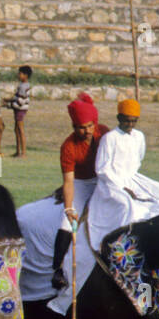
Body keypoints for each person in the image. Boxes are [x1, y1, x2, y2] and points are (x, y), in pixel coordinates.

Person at [84, 99, 159, 255]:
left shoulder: (138, 136)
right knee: (126, 204)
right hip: (111, 183)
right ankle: (121, 247)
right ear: (119, 118)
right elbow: (102, 169)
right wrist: (122, 187)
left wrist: (132, 183)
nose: (130, 124)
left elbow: (138, 159)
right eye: (127, 121)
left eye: (133, 121)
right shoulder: (110, 138)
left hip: (133, 178)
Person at [49, 92, 106, 282]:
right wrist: (69, 208)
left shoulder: (105, 133)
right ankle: (57, 270)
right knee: (67, 223)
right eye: (82, 128)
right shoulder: (68, 146)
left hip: (105, 180)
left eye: (90, 126)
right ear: (74, 127)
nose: (88, 131)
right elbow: (68, 182)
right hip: (82, 183)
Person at [7, 64, 31, 157]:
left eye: (20, 73)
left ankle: (23, 152)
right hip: (19, 109)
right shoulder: (23, 85)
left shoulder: (23, 87)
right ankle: (18, 151)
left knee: (20, 130)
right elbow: (16, 98)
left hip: (20, 109)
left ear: (26, 75)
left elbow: (20, 101)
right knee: (16, 129)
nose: (18, 75)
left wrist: (9, 105)